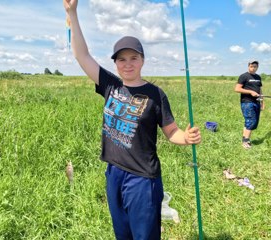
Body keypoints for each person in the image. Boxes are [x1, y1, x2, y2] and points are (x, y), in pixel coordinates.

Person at [63, 1, 201, 239]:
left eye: (133, 58)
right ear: (115, 63)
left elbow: (171, 132)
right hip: (114, 174)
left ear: (142, 60)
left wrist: (186, 138)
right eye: (122, 59)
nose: (127, 64)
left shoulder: (156, 94)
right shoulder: (110, 85)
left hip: (143, 180)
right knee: (122, 234)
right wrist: (72, 13)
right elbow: (81, 55)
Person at [234, 60, 264, 149]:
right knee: (251, 120)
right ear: (248, 66)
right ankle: (246, 141)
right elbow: (237, 89)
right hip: (247, 102)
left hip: (256, 102)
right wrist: (250, 92)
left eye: (255, 66)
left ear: (257, 67)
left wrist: (262, 102)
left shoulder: (258, 77)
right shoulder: (244, 76)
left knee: (252, 122)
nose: (253, 68)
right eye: (251, 66)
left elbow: (260, 90)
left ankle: (244, 137)